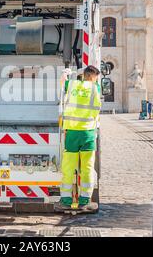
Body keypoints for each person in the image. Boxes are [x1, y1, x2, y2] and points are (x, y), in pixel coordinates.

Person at [56, 66, 102, 211]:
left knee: (68, 166)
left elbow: (63, 82)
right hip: (88, 133)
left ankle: (66, 199)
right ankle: (84, 200)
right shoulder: (96, 88)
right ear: (93, 76)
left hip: (72, 133)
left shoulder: (73, 85)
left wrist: (66, 73)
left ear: (83, 74)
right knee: (87, 167)